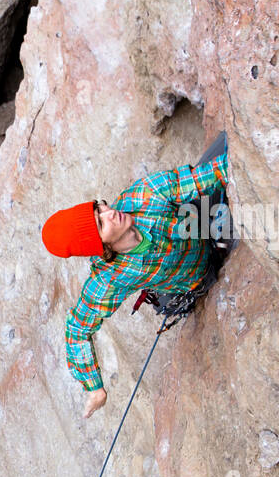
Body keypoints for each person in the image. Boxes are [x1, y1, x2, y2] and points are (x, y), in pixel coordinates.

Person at [41, 136, 228, 418]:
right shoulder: (109, 278)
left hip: (199, 226)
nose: (110, 212)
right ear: (101, 248)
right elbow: (77, 332)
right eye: (101, 223)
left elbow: (209, 176)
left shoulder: (145, 195)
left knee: (223, 151)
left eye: (99, 207)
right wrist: (94, 388)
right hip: (196, 277)